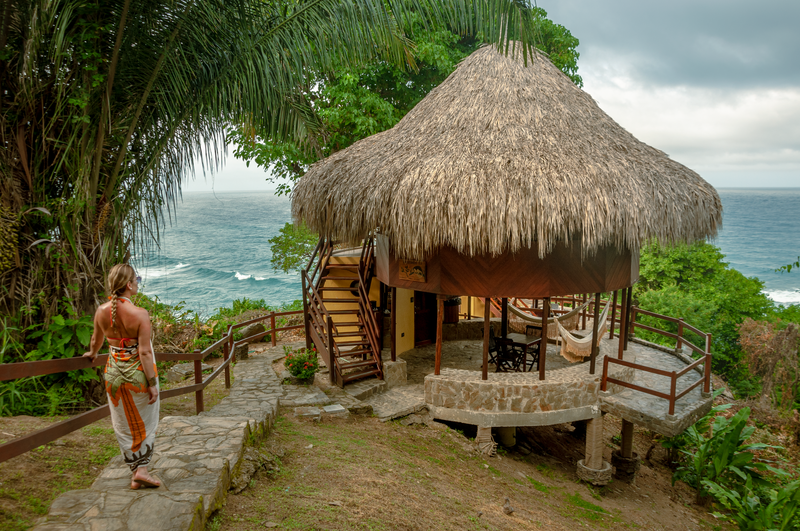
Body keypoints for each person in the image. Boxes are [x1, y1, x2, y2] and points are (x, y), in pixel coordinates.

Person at [83, 264, 161, 489]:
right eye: (136, 278)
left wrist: (93, 353)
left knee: (123, 422)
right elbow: (145, 352)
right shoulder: (140, 314)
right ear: (129, 285)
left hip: (113, 376)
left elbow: (95, 341)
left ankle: (136, 471)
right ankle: (143, 470)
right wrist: (152, 383)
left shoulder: (100, 311)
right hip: (138, 377)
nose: (138, 281)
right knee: (144, 421)